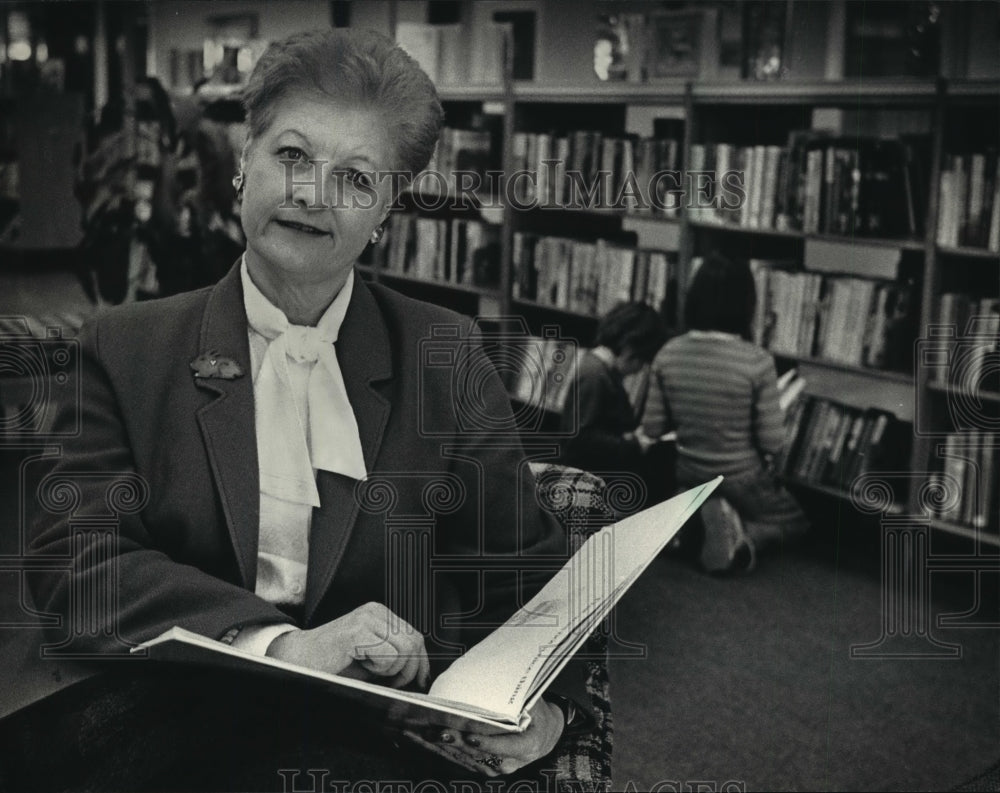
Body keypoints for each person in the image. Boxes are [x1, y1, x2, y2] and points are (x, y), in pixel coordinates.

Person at [0, 29, 591, 789]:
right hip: (154, 705)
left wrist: (535, 700)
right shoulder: (122, 345)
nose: (314, 193)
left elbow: (522, 577)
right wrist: (279, 643)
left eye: (356, 177)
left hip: (363, 728)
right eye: (291, 155)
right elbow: (75, 560)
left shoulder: (446, 350)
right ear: (243, 165)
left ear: (386, 210)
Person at [641, 254, 808, 573]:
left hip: (688, 471)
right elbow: (772, 441)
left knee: (698, 494)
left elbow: (652, 427)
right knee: (795, 521)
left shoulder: (668, 353)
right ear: (747, 304)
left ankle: (689, 525)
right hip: (740, 477)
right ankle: (744, 537)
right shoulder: (756, 361)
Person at [559, 301, 671, 506]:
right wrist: (633, 443)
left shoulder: (603, 371)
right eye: (642, 360)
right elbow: (581, 439)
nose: (640, 369)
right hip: (589, 485)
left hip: (597, 479)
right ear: (630, 348)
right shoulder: (595, 375)